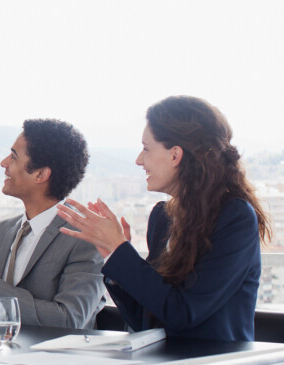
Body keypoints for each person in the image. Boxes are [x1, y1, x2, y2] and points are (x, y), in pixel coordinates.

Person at [57, 96, 271, 341]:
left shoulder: (235, 217)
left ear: (175, 155)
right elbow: (144, 320)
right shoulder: (162, 217)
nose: (139, 160)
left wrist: (120, 251)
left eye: (146, 148)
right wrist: (112, 253)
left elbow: (183, 313)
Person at [0, 119, 105, 329]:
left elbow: (70, 320)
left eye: (13, 156)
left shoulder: (85, 238)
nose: (3, 163)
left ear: (40, 174)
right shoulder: (2, 231)